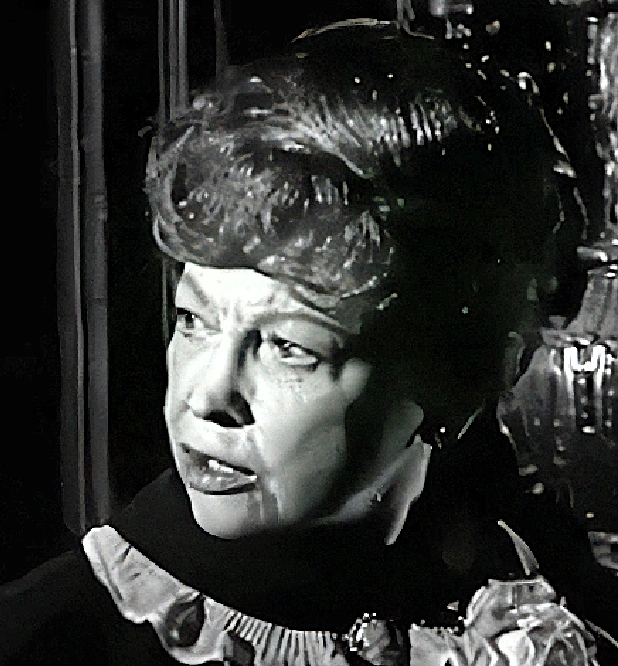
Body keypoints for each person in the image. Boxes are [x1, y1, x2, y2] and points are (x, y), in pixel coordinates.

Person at [2, 18, 617, 666]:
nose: (207, 397)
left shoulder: (542, 604)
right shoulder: (61, 639)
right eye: (193, 321)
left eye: (289, 348)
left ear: (449, 380)